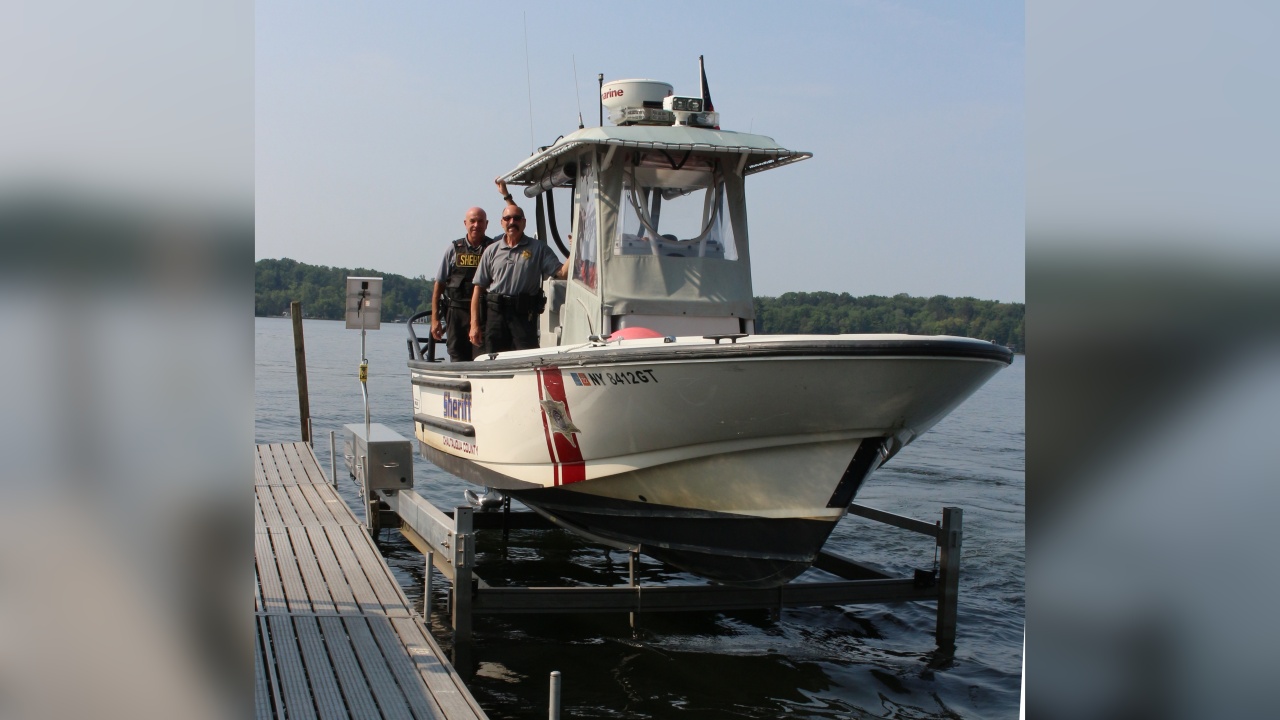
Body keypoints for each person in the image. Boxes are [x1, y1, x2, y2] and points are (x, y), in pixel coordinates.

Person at [468, 189, 568, 354]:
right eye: (507, 218)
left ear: (524, 222)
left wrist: (575, 250)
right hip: (495, 316)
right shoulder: (491, 250)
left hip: (523, 317)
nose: (512, 222)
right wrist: (474, 325)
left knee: (526, 359)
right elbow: (478, 288)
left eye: (516, 218)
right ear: (501, 223)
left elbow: (562, 273)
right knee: (493, 361)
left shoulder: (538, 249)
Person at [430, 206, 494, 361]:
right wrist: (435, 320)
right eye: (472, 221)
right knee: (457, 354)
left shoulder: (493, 249)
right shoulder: (453, 250)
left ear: (487, 224)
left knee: (483, 357)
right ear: (465, 223)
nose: (476, 225)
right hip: (456, 313)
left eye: (480, 221)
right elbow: (439, 286)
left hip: (483, 313)